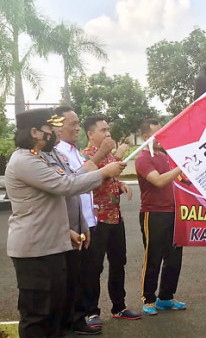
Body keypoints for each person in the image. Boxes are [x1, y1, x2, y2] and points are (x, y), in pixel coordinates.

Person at [5, 108, 125, 338]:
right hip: (34, 250)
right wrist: (103, 172)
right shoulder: (24, 160)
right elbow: (65, 186)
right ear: (35, 132)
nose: (55, 132)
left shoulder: (45, 156)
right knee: (37, 315)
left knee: (56, 311)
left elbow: (69, 184)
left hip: (52, 244)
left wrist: (70, 228)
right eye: (50, 128)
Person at [52, 106, 116, 335]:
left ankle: (78, 319)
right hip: (69, 225)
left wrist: (87, 219)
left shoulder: (73, 150)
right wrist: (102, 157)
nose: (77, 128)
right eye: (73, 124)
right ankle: (73, 320)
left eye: (78, 123)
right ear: (57, 126)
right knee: (73, 277)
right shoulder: (58, 152)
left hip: (85, 222)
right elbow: (73, 182)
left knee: (85, 273)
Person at [81, 115, 141, 325]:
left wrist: (121, 185)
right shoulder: (86, 158)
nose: (108, 134)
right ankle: (91, 312)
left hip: (116, 218)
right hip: (97, 221)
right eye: (103, 130)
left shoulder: (108, 158)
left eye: (108, 130)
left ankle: (119, 306)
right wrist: (112, 160)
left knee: (118, 263)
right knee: (93, 267)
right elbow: (86, 182)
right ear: (90, 135)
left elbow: (111, 176)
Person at [135, 119, 187, 315]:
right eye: (158, 134)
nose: (162, 137)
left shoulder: (165, 156)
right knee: (153, 257)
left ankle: (166, 297)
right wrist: (180, 167)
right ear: (146, 137)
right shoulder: (142, 158)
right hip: (153, 213)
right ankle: (148, 298)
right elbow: (158, 181)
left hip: (173, 213)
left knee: (174, 257)